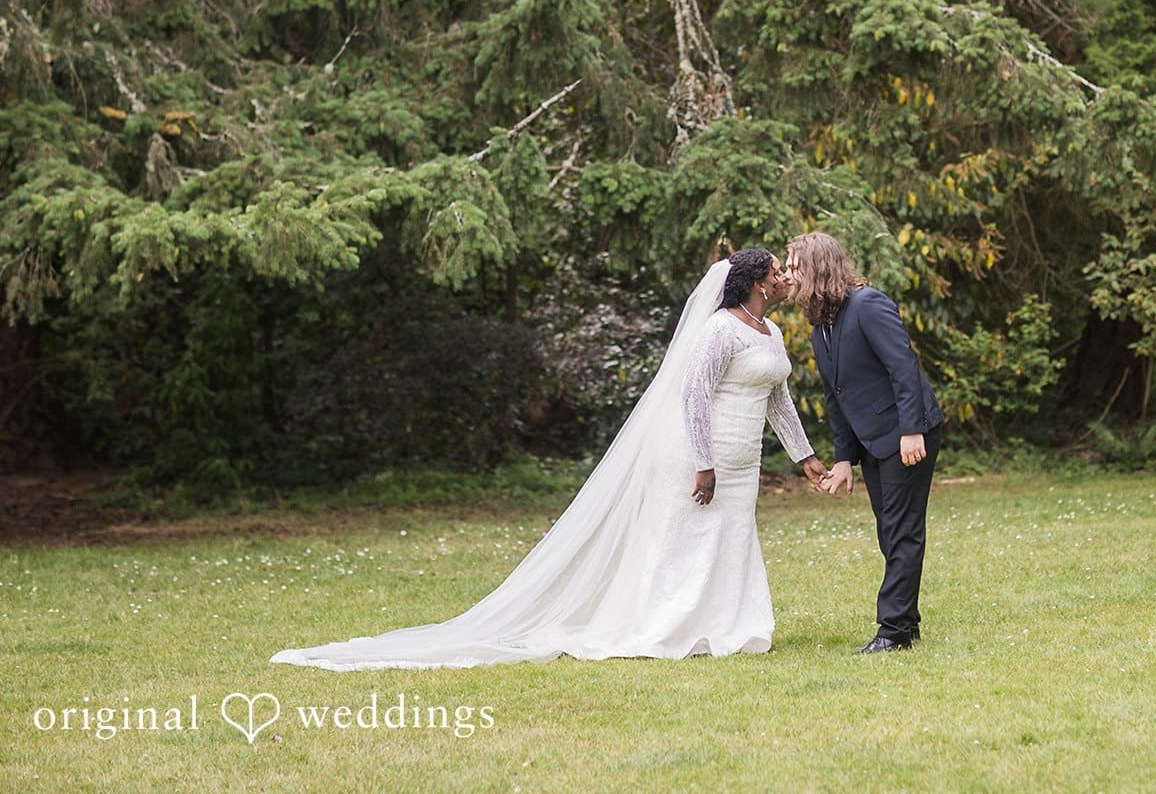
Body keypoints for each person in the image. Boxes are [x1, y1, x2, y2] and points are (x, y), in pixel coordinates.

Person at [270, 249, 824, 669]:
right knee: (682, 541)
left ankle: (727, 625)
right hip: (697, 454)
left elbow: (776, 395)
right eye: (776, 270)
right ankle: (665, 626)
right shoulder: (719, 330)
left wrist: (804, 457)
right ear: (754, 282)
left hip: (743, 457)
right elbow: (694, 395)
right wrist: (703, 460)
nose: (783, 276)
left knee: (730, 539)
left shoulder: (770, 331)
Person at [786, 231, 944, 654]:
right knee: (890, 532)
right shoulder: (821, 324)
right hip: (873, 441)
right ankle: (906, 624)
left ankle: (892, 632)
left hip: (909, 434)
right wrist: (843, 460)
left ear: (817, 268)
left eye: (793, 266)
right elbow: (836, 397)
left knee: (902, 530)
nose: (787, 275)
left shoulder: (868, 304)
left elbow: (903, 369)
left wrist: (911, 430)